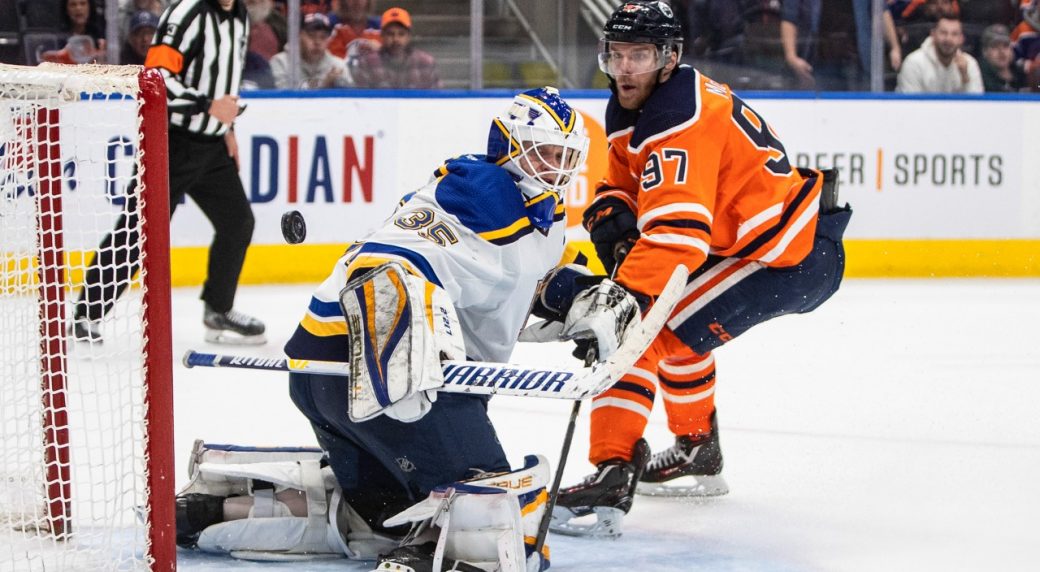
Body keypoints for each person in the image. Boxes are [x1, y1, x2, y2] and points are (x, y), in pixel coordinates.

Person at [173, 87, 590, 570]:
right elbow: (387, 268)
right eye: (546, 153)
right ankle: (432, 549)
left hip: (317, 372)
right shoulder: (485, 191)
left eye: (566, 156)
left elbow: (509, 279)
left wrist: (576, 295)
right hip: (388, 379)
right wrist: (403, 367)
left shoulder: (526, 211)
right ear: (509, 147)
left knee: (378, 521)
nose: (557, 167)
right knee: (501, 528)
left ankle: (211, 513)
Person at [534, 1, 851, 537]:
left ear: (669, 57)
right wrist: (611, 210)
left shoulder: (681, 113)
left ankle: (612, 470)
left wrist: (622, 298)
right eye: (617, 54)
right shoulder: (635, 105)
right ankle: (697, 449)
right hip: (753, 246)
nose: (626, 66)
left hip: (785, 255)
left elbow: (678, 236)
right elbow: (624, 186)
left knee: (637, 328)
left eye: (641, 54)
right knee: (678, 336)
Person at [71, 0, 265, 346]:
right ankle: (88, 314)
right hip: (171, 142)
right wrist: (207, 106)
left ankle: (218, 309)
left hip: (213, 144)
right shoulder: (187, 12)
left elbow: (227, 79)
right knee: (139, 229)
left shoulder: (240, 16)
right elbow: (156, 75)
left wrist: (228, 126)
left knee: (238, 222)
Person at [352, 7, 441, 89]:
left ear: (409, 36)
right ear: (382, 35)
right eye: (390, 34)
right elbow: (359, 102)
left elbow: (437, 100)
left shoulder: (426, 63)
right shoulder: (367, 63)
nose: (396, 39)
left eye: (401, 34)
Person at [897, 14, 983, 93]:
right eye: (943, 33)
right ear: (933, 35)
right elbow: (910, 104)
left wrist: (965, 78)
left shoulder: (970, 64)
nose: (948, 39)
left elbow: (978, 105)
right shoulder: (914, 63)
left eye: (954, 34)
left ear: (961, 39)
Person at [270, 12, 352, 89]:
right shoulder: (280, 62)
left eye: (323, 37)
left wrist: (341, 83)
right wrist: (323, 85)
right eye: (311, 36)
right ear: (299, 36)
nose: (317, 42)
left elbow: (352, 98)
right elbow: (282, 97)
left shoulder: (338, 65)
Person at [979, 24, 1025, 92]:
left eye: (1005, 46)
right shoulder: (980, 77)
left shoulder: (1021, 75)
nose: (1001, 52)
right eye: (994, 46)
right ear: (985, 51)